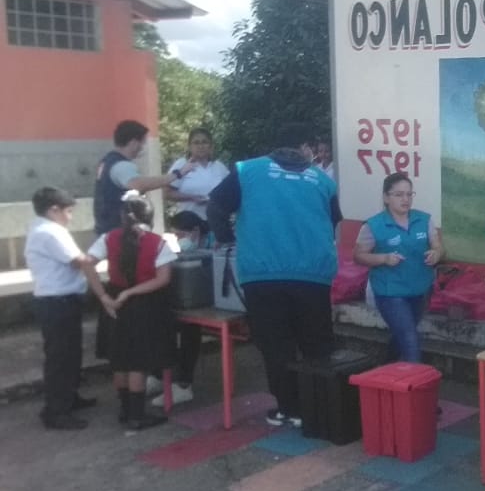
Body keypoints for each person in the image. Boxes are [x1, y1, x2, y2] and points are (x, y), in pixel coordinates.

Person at [208, 123, 341, 427]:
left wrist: (226, 237)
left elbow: (215, 208)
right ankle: (320, 408)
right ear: (305, 149)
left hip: (263, 273)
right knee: (317, 343)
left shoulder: (247, 171)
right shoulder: (322, 179)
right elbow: (334, 220)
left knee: (276, 344)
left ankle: (288, 408)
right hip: (313, 273)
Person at [82, 193, 173, 432]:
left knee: (119, 358)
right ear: (150, 217)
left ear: (122, 216)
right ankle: (137, 415)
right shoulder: (158, 243)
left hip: (113, 300)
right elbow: (163, 279)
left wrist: (103, 296)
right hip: (145, 304)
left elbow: (86, 262)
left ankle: (125, 409)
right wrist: (131, 292)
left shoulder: (108, 238)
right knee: (138, 362)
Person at [353, 172, 444, 363]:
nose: (406, 199)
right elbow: (359, 256)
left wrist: (436, 253)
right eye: (399, 194)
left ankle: (385, 366)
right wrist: (384, 258)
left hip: (420, 290)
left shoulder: (424, 220)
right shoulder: (373, 225)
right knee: (410, 339)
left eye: (409, 194)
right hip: (390, 292)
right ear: (386, 197)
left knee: (403, 333)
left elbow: (438, 247)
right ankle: (415, 379)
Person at [25, 187, 95, 430]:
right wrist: (100, 254)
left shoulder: (43, 228)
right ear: (54, 210)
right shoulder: (49, 232)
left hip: (61, 300)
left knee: (71, 354)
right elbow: (78, 261)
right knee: (60, 358)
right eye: (69, 211)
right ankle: (56, 411)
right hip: (57, 302)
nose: (70, 217)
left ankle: (69, 397)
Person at [94, 120, 194, 235]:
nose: (142, 147)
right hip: (119, 232)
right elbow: (139, 184)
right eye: (142, 143)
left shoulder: (106, 161)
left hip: (105, 229)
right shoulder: (122, 165)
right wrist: (177, 174)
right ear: (133, 142)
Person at [151, 211, 207, 407]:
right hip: (191, 301)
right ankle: (159, 375)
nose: (178, 240)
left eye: (180, 235)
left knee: (190, 330)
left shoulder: (214, 241)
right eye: (175, 236)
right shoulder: (183, 248)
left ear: (195, 231)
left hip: (209, 305)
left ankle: (183, 384)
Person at [165, 127, 230, 235]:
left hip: (216, 224)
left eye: (204, 142)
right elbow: (166, 193)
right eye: (196, 143)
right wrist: (191, 197)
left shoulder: (219, 166)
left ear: (211, 146)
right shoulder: (182, 164)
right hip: (189, 227)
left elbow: (230, 192)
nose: (201, 146)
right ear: (189, 146)